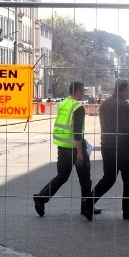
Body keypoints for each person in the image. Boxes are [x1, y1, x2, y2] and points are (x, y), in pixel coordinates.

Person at [33, 81, 95, 220]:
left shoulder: (63, 104)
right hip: (75, 147)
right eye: (82, 91)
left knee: (61, 176)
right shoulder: (78, 107)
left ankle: (41, 198)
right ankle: (86, 207)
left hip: (62, 146)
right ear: (78, 92)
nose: (83, 94)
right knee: (85, 179)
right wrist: (80, 152)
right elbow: (77, 131)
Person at [92, 79, 129, 219]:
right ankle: (128, 211)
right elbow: (128, 129)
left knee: (108, 178)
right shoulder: (124, 106)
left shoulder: (105, 103)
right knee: (128, 180)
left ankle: (88, 201)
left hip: (107, 146)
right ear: (124, 89)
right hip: (123, 148)